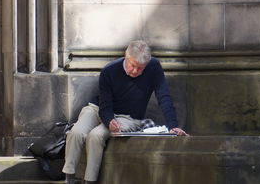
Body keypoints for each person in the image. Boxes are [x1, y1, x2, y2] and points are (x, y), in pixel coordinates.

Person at [62, 40, 188, 184]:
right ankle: (69, 177)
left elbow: (164, 97)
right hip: (99, 108)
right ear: (125, 56)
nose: (135, 71)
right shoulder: (109, 70)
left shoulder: (154, 67)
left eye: (141, 68)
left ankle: (89, 181)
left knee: (96, 136)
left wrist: (173, 125)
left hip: (128, 117)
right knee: (76, 132)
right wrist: (109, 121)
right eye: (133, 65)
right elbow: (105, 105)